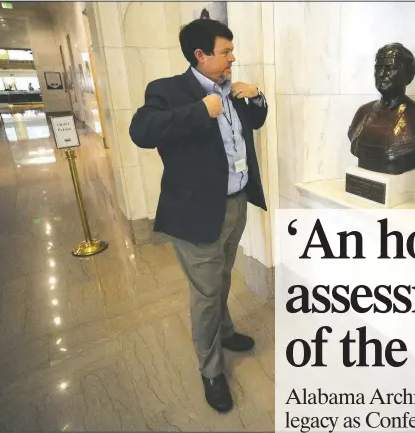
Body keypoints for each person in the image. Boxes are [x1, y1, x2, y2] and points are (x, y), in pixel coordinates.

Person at [129, 19, 268, 413]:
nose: (233, 57)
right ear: (200, 56)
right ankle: (211, 370)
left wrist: (257, 97)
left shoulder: (233, 90)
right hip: (195, 212)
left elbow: (255, 121)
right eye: (226, 51)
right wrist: (198, 111)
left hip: (235, 202)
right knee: (206, 292)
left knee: (222, 275)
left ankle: (225, 332)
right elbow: (141, 131)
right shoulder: (168, 91)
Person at [348, 43, 415, 175]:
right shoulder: (363, 112)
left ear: (408, 74)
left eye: (390, 68)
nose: (382, 74)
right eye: (378, 68)